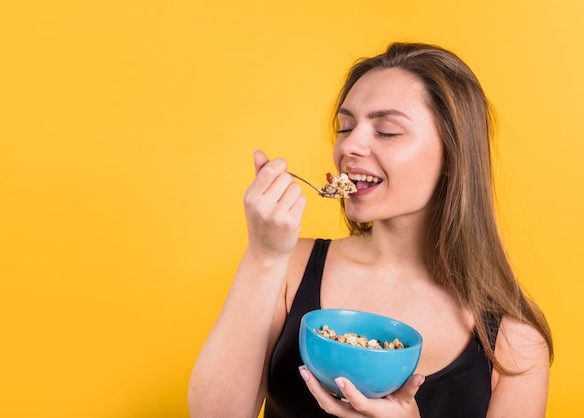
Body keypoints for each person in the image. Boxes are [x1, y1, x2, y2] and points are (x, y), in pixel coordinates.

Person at [188, 42, 553, 418]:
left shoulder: (515, 344)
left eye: (387, 131)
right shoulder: (289, 267)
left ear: (453, 155)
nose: (350, 144)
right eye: (345, 126)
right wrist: (263, 256)